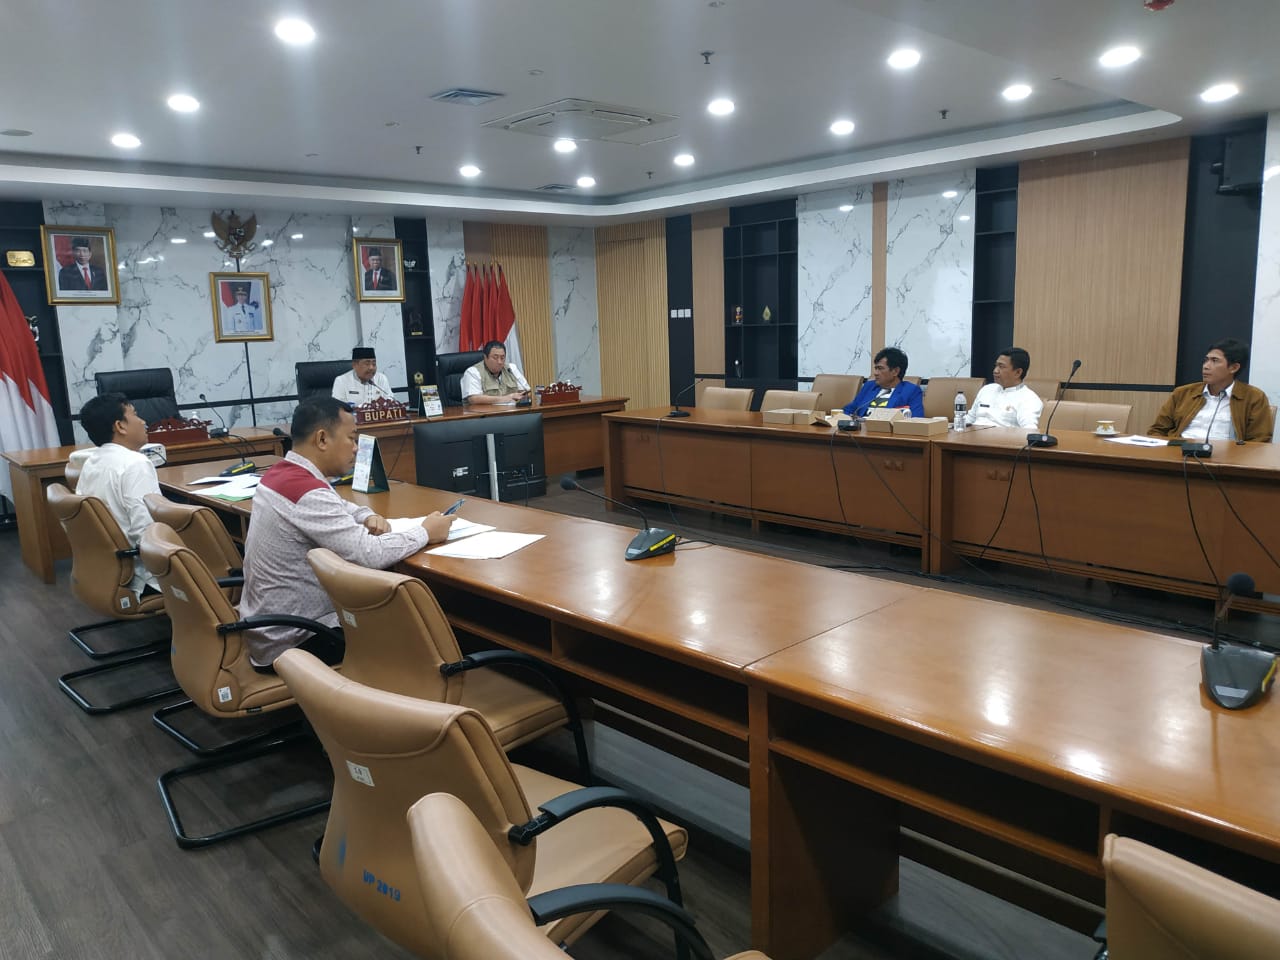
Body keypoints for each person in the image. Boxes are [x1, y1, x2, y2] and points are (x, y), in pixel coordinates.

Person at [239, 397, 453, 670]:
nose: (355, 448)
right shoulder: (307, 492)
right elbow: (369, 554)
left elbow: (338, 504)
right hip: (297, 641)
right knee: (418, 623)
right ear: (322, 439)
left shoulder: (281, 475)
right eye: (351, 438)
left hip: (270, 629)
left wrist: (367, 515)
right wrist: (424, 532)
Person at [75, 393, 162, 595]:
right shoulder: (135, 463)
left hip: (107, 570)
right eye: (136, 415)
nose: (143, 421)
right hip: (143, 577)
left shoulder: (92, 462)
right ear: (120, 426)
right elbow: (146, 531)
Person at [1147, 338, 1273, 443]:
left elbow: (1260, 441)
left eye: (1214, 361)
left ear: (1234, 367)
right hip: (1179, 454)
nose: (1206, 366)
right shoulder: (1182, 393)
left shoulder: (1254, 397)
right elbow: (1157, 430)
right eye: (1206, 360)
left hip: (1227, 459)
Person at [965, 347, 1044, 429]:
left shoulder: (1029, 399)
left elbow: (1029, 430)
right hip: (972, 435)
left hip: (1001, 436)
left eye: (1001, 367)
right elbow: (969, 419)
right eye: (996, 365)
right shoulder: (987, 389)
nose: (995, 371)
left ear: (1018, 372)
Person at [842, 347, 924, 418]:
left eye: (880, 368)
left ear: (895, 371)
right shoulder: (869, 386)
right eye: (876, 368)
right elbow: (849, 410)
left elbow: (916, 420)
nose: (875, 373)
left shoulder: (910, 391)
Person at [461, 340, 529, 405]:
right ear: (485, 357)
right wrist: (506, 398)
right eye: (495, 358)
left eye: (502, 358)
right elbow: (474, 399)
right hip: (485, 412)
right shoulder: (473, 372)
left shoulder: (511, 369)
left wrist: (523, 395)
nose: (499, 362)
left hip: (511, 411)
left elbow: (526, 392)